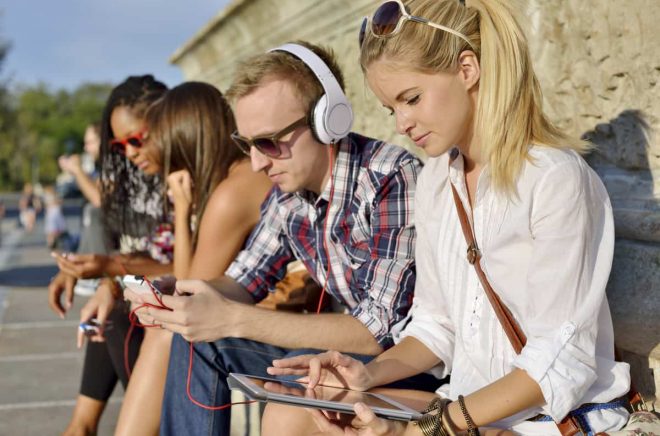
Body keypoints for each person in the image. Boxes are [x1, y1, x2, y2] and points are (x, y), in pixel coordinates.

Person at [264, 1, 632, 435]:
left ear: (468, 68)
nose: (402, 124)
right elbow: (435, 326)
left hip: (546, 419)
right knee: (295, 410)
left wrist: (432, 428)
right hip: (463, 409)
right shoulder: (438, 179)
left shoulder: (555, 179)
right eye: (391, 109)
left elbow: (557, 359)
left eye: (411, 99)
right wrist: (363, 375)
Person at [125, 41, 429, 435]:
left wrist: (231, 319)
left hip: (407, 363)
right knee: (195, 338)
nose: (257, 162)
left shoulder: (391, 177)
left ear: (327, 121)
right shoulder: (287, 196)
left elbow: (377, 332)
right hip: (344, 357)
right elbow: (242, 282)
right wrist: (185, 292)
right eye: (247, 145)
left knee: (301, 361)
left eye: (268, 142)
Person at [113, 81, 272, 436]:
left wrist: (182, 212)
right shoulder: (234, 180)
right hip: (260, 310)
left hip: (279, 321)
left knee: (169, 334)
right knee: (149, 327)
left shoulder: (232, 193)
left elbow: (187, 292)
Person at [47, 75, 172, 436]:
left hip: (169, 324)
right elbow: (141, 254)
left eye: (137, 139)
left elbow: (193, 266)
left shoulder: (185, 180)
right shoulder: (137, 180)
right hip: (133, 309)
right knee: (108, 321)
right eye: (120, 145)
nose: (130, 152)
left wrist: (111, 273)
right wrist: (101, 277)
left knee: (114, 319)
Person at [58, 122, 112, 296]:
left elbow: (98, 199)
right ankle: (85, 266)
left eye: (89, 142)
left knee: (93, 212)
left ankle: (97, 270)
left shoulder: (113, 161)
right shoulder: (102, 164)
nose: (85, 147)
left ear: (102, 141)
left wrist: (78, 170)